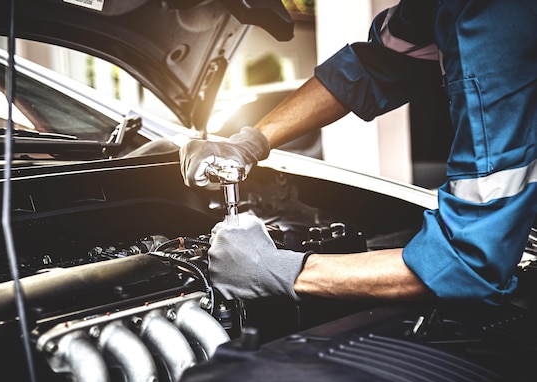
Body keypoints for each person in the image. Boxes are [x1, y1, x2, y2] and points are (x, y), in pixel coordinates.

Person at [180, 0, 537, 305]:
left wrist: (277, 270)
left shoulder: (492, 26)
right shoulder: (438, 7)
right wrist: (251, 140)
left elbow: (468, 260)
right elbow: (373, 66)